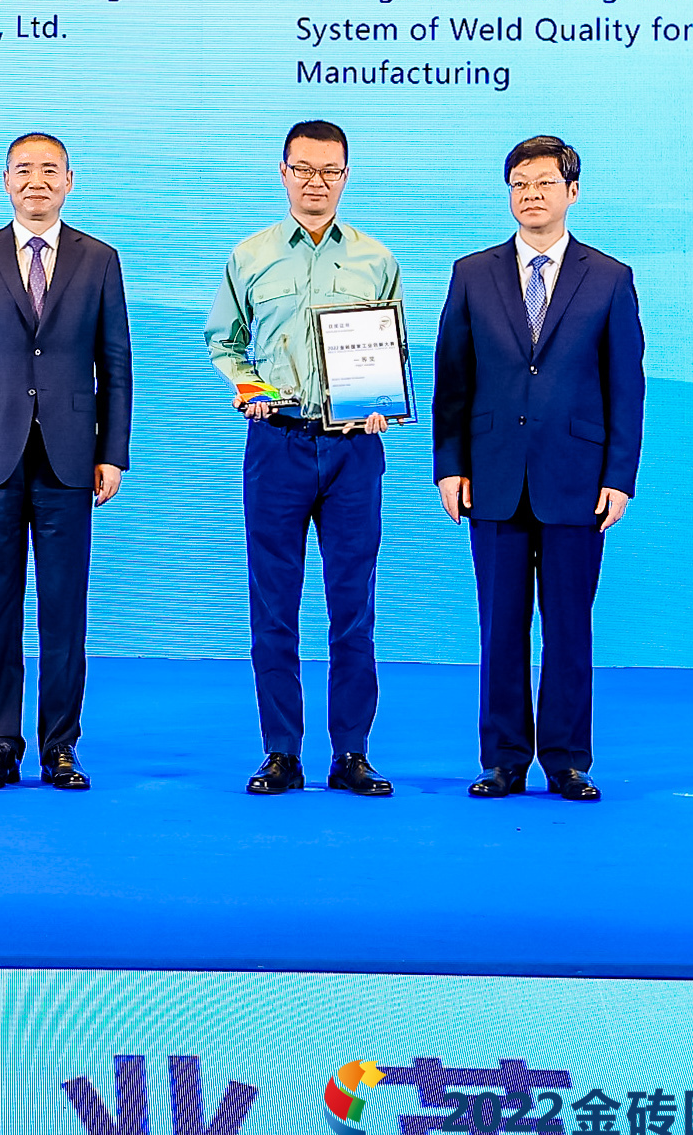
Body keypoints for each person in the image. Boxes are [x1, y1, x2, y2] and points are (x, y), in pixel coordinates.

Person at [432, 134, 645, 802]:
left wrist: (619, 476)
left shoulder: (609, 277)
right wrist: (449, 465)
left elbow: (625, 387)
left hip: (578, 479)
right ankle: (502, 759)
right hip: (491, 475)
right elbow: (452, 379)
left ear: (571, 192)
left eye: (545, 183)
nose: (531, 195)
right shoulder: (472, 273)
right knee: (499, 629)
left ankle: (566, 760)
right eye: (519, 184)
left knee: (568, 627)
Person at [204, 119, 405, 798]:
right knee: (273, 605)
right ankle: (281, 753)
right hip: (277, 443)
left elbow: (391, 350)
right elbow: (225, 340)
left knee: (353, 607)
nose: (316, 183)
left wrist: (382, 401)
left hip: (354, 449)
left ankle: (351, 753)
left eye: (330, 171)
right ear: (283, 172)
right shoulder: (251, 255)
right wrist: (250, 389)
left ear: (346, 176)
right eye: (304, 169)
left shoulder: (376, 258)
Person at [0, 132, 132, 791]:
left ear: (69, 181)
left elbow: (116, 364)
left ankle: (60, 747)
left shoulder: (99, 260)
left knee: (64, 610)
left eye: (50, 170)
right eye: (23, 170)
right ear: (5, 181)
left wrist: (113, 453)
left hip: (71, 457)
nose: (36, 181)